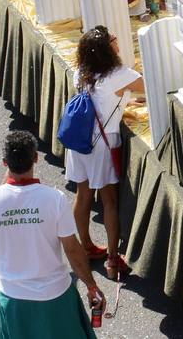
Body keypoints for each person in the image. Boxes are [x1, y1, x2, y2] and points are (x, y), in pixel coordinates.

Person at [0, 131, 102, 338]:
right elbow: (72, 249)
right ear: (35, 158)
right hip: (55, 295)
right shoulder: (55, 199)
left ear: (5, 163)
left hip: (14, 298)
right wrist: (91, 285)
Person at [66, 26, 143, 279]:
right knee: (109, 200)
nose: (117, 42)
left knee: (83, 193)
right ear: (106, 49)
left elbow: (103, 98)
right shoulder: (118, 74)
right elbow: (150, 83)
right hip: (103, 141)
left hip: (80, 140)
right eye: (113, 40)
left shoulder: (80, 73)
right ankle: (112, 259)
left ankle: (86, 245)